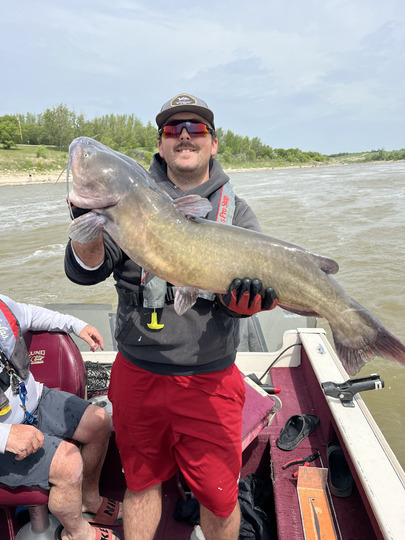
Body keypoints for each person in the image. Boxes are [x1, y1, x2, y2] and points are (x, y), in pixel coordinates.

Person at [64, 93, 278, 540]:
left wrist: (245, 302)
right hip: (137, 374)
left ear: (212, 144)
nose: (184, 135)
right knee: (140, 485)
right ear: (160, 145)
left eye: (196, 128)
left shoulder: (236, 211)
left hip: (210, 380)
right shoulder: (127, 197)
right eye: (172, 129)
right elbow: (87, 269)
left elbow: (251, 292)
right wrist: (86, 221)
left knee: (219, 497)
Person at [0, 294, 122, 540]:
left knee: (99, 422)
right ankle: (77, 533)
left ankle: (89, 499)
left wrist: (77, 325)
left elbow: (31, 314)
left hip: (34, 401)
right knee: (68, 463)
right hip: (6, 438)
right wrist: (5, 437)